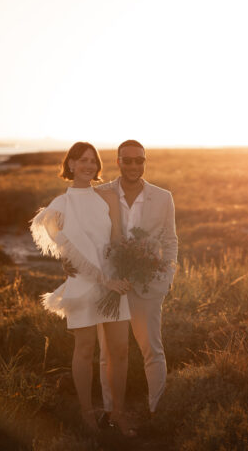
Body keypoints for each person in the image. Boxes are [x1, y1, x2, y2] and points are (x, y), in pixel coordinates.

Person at [30, 142, 136, 436]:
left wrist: (126, 266)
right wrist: (88, 271)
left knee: (120, 350)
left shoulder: (106, 198)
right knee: (85, 349)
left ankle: (117, 414)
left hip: (113, 280)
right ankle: (88, 415)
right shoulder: (60, 204)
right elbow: (65, 248)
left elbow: (115, 239)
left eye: (94, 161)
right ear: (71, 165)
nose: (89, 165)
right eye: (83, 160)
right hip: (84, 284)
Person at [97, 140, 178, 418]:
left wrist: (167, 276)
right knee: (108, 354)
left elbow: (170, 239)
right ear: (117, 161)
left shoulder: (163, 196)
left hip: (148, 286)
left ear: (145, 161)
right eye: (127, 160)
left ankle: (157, 412)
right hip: (110, 285)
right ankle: (110, 412)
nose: (134, 166)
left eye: (139, 160)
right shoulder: (100, 193)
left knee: (152, 350)